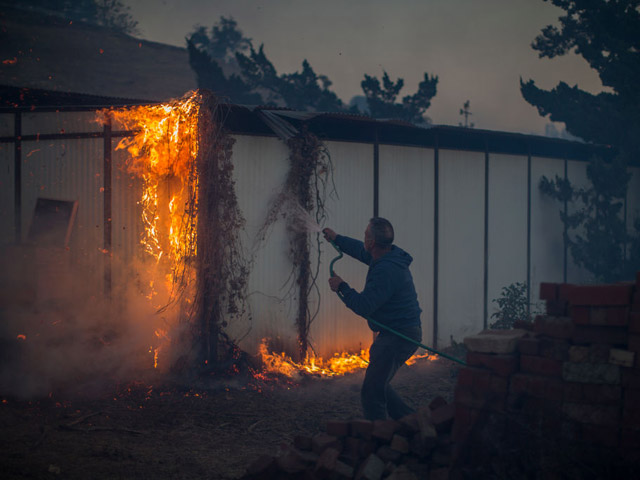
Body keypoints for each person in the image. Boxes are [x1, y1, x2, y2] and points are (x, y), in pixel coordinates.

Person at [323, 217, 422, 421]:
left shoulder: (386, 270)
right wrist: (337, 239)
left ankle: (379, 438)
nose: (364, 238)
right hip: (401, 330)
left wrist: (342, 287)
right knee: (379, 385)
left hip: (399, 336)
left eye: (366, 235)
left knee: (372, 391)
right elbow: (361, 251)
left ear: (373, 243)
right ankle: (411, 422)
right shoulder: (387, 255)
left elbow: (364, 306)